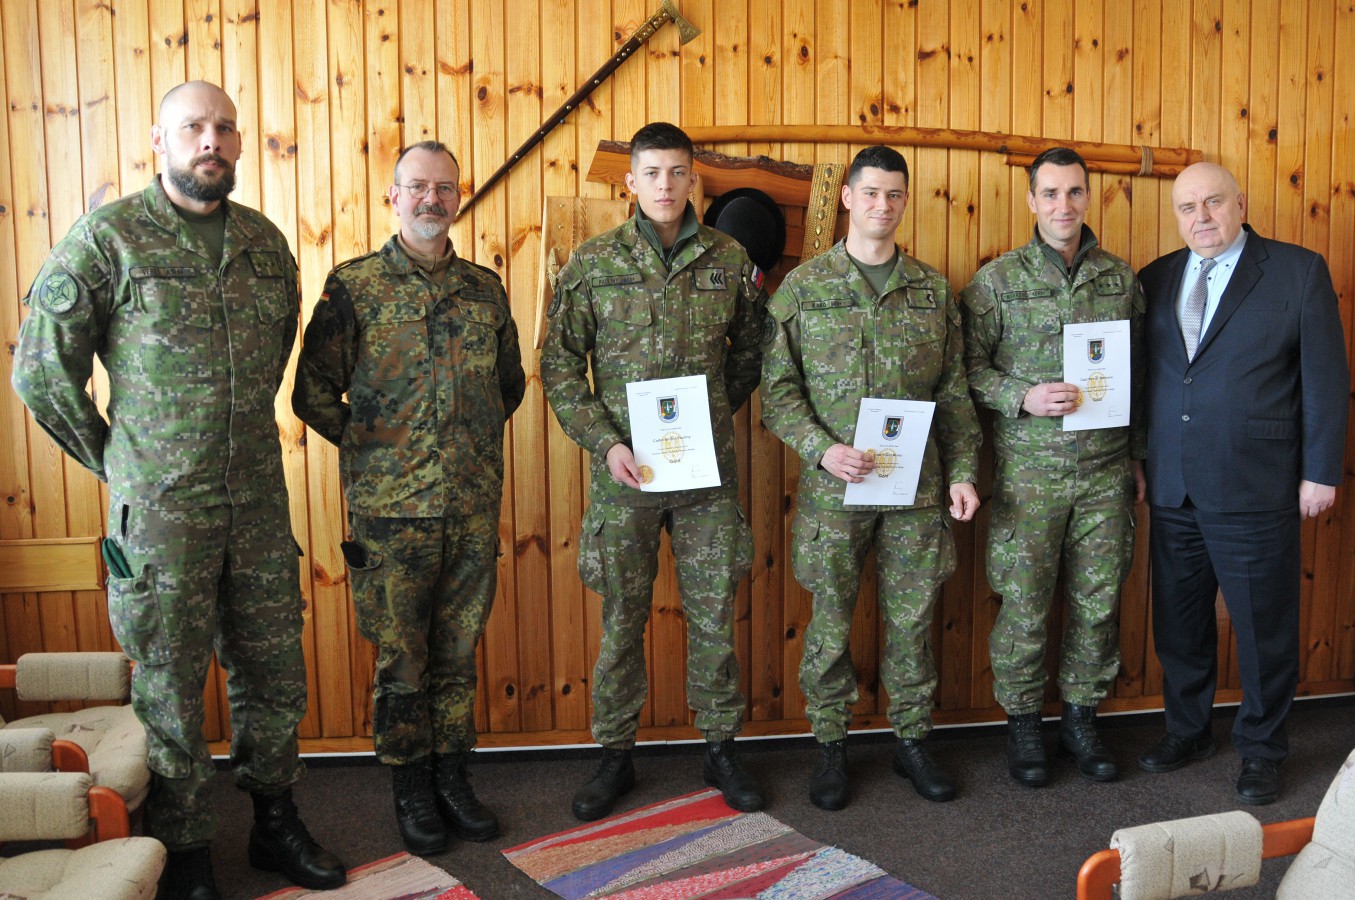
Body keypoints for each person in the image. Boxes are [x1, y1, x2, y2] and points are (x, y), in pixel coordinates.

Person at [10, 81, 345, 900]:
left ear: (239, 143)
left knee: (273, 670)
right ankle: (186, 845)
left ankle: (274, 821)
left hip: (256, 501)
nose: (211, 140)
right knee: (167, 683)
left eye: (225, 127)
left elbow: (275, 356)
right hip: (159, 515)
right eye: (193, 126)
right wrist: (119, 462)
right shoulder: (110, 238)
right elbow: (41, 371)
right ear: (159, 140)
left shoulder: (265, 244)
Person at [292, 141, 524, 853]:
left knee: (457, 652)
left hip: (470, 507)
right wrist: (376, 450)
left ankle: (452, 776)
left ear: (458, 198)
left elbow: (508, 386)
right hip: (390, 516)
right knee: (401, 658)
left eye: (444, 188)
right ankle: (409, 785)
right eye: (417, 187)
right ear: (393, 197)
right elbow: (312, 393)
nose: (431, 199)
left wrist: (464, 448)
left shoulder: (484, 290)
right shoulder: (354, 286)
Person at [541, 122, 768, 821]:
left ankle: (720, 746)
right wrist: (604, 442)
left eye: (676, 172)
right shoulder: (593, 262)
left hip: (705, 479)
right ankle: (614, 753)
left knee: (714, 615)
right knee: (621, 619)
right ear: (630, 181)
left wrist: (708, 420)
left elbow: (750, 352)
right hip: (625, 477)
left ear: (692, 178)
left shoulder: (729, 259)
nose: (665, 185)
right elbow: (559, 366)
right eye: (652, 173)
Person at [761, 145, 980, 811]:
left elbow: (954, 393)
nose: (882, 205)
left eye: (894, 194)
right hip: (835, 491)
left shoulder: (931, 291)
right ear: (848, 198)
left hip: (916, 490)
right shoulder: (804, 289)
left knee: (912, 620)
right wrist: (821, 450)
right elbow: (778, 394)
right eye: (871, 192)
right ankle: (830, 744)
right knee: (830, 620)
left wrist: (962, 473)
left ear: (903, 202)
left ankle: (911, 740)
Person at [1138, 162, 1348, 805]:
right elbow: (1150, 380)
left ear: (1241, 203)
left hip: (1257, 484)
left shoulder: (1297, 271)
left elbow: (1326, 378)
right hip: (1173, 484)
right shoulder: (1156, 277)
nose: (1200, 217)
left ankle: (1262, 749)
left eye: (1213, 202)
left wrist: (1320, 471)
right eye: (1187, 207)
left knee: (1263, 628)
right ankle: (1188, 730)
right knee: (1179, 623)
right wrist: (1138, 460)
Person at [960, 147, 1144, 788]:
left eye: (1075, 192)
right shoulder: (996, 282)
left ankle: (1081, 721)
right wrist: (1023, 396)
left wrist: (1138, 455)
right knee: (1025, 603)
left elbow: (1141, 374)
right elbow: (966, 371)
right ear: (1031, 200)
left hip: (1105, 473)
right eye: (1051, 193)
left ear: (1088, 197)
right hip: (1029, 477)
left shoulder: (1120, 280)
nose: (1063, 205)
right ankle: (1023, 726)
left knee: (1099, 601)